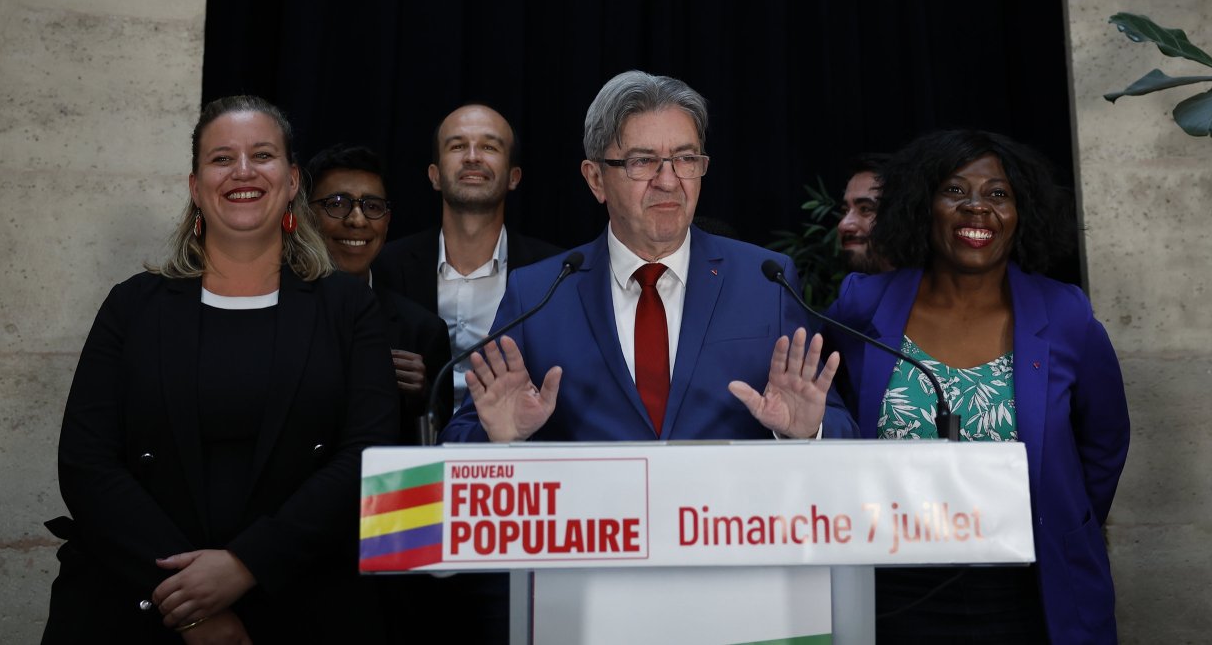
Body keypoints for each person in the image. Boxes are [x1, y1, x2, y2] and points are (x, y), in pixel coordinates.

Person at [43, 96, 398, 645]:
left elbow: (370, 456)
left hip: (301, 598)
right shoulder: (132, 306)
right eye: (221, 158)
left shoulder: (348, 308)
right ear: (194, 185)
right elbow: (86, 463)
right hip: (134, 601)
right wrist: (192, 604)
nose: (243, 171)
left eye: (262, 154)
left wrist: (246, 564)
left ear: (292, 179)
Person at [825, 129, 1129, 644]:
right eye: (955, 191)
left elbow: (1104, 443)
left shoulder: (1065, 315)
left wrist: (1061, 519)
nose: (976, 208)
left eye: (997, 194)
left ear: (1020, 211)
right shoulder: (865, 303)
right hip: (891, 586)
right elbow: (817, 396)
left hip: (1029, 586)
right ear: (924, 206)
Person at [441, 70, 854, 444]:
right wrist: (499, 438)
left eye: (686, 159)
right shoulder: (537, 293)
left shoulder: (767, 282)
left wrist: (808, 431)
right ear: (596, 179)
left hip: (720, 522)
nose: (669, 181)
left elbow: (841, 428)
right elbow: (460, 436)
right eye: (643, 162)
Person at [372, 104, 561, 412]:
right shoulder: (385, 266)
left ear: (514, 177)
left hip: (513, 447)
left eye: (489, 146)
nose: (473, 156)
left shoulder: (553, 272)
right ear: (434, 176)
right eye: (457, 146)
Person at [304, 143, 451, 444]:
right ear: (306, 215)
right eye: (337, 203)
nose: (356, 220)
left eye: (372, 206)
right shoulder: (276, 306)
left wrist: (421, 397)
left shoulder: (422, 330)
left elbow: (434, 446)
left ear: (387, 222)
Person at [837, 153, 890, 274]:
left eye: (865, 209)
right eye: (845, 210)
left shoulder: (935, 289)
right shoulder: (852, 288)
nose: (843, 225)